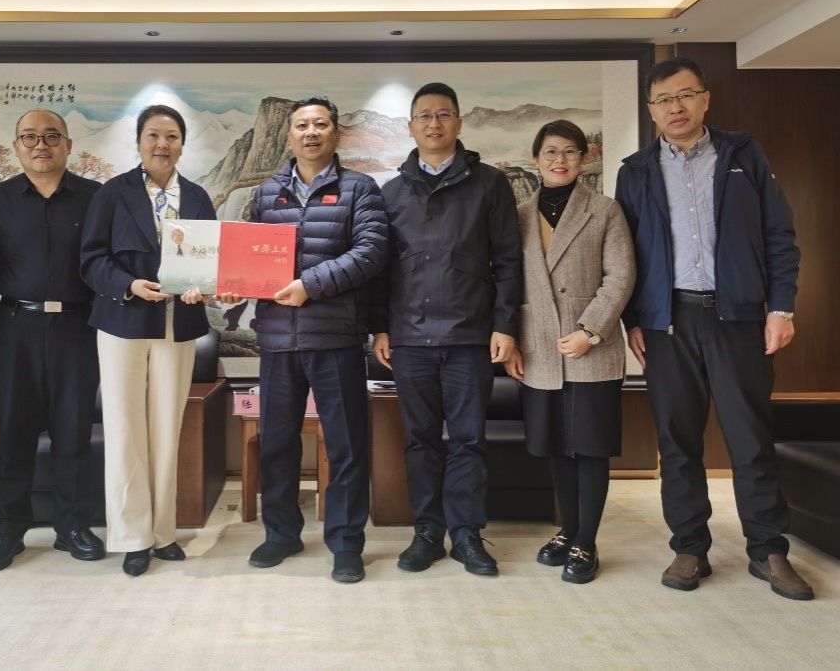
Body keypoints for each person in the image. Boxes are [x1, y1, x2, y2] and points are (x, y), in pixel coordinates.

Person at [616, 57, 812, 600]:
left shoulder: (742, 155)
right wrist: (634, 320)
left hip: (737, 316)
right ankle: (689, 547)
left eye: (685, 95)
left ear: (705, 99)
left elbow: (779, 235)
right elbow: (625, 253)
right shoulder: (635, 171)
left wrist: (782, 308)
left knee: (750, 438)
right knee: (677, 440)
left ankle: (768, 550)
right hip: (667, 322)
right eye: (663, 100)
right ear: (651, 111)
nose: (675, 107)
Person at [371, 82, 522, 577]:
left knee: (468, 440)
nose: (433, 124)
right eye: (424, 116)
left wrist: (504, 325)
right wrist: (381, 328)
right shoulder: (391, 192)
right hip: (410, 338)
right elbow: (381, 269)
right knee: (420, 440)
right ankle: (427, 532)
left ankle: (467, 534)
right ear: (411, 126)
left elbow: (508, 261)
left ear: (458, 122)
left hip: (469, 337)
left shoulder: (489, 184)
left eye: (443, 115)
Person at [248, 96, 387, 584]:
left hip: (336, 338)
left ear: (336, 133)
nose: (311, 132)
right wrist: (232, 284)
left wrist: (310, 285)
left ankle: (346, 543)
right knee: (276, 443)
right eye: (302, 125)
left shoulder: (360, 188)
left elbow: (371, 252)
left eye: (320, 124)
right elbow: (248, 257)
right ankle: (281, 533)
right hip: (277, 340)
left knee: (346, 445)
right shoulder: (267, 193)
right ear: (289, 135)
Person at [80, 104, 217, 577]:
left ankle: (163, 533)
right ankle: (132, 537)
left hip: (178, 326)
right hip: (122, 322)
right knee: (124, 429)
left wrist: (202, 285)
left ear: (182, 144)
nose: (162, 144)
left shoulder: (197, 197)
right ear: (138, 142)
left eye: (172, 136)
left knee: (165, 428)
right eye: (153, 135)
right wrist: (128, 285)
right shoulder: (112, 194)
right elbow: (92, 258)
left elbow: (208, 261)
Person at [503, 120, 635, 584]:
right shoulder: (518, 215)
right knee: (557, 447)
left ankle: (587, 542)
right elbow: (507, 282)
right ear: (536, 158)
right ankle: (567, 530)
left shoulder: (604, 210)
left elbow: (620, 276)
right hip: (539, 348)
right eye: (551, 152)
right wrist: (512, 340)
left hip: (590, 349)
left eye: (570, 152)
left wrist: (590, 330)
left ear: (584, 158)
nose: (560, 160)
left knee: (590, 449)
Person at [0, 109, 104, 572]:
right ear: (16, 146)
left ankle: (72, 527)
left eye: (52, 136)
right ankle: (7, 529)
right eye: (29, 137)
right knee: (13, 430)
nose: (41, 145)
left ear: (68, 145)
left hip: (78, 326)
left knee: (73, 430)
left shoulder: (95, 198)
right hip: (18, 325)